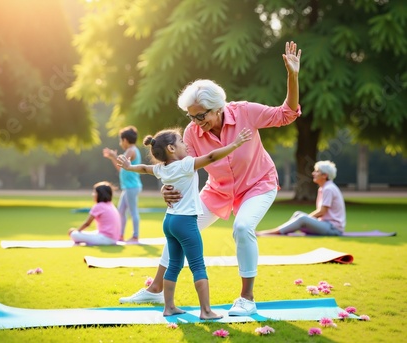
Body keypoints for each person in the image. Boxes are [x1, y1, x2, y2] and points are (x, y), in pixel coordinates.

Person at [119, 41, 302, 317]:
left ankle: (247, 297)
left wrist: (292, 75)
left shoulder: (245, 112)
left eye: (200, 115)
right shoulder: (193, 133)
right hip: (217, 190)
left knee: (242, 228)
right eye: (191, 116)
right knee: (180, 225)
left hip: (258, 184)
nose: (195, 122)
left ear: (217, 108)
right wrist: (167, 189)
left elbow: (286, 114)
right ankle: (156, 289)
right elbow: (179, 168)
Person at [117, 127, 252, 319]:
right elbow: (212, 157)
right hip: (186, 222)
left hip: (169, 221)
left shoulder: (162, 168)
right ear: (171, 148)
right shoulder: (185, 164)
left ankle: (169, 307)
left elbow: (146, 169)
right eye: (181, 141)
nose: (185, 144)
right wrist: (235, 144)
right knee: (198, 266)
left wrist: (129, 167)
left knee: (174, 265)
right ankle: (205, 311)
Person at [257, 161, 346, 236]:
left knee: (302, 218)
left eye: (317, 171)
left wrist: (306, 219)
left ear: (325, 175)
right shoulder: (324, 188)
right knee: (298, 214)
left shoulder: (328, 188)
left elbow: (322, 211)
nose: (313, 173)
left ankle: (274, 232)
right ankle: (284, 230)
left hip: (333, 228)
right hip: (326, 225)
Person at [103, 126, 143, 242]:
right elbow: (121, 169)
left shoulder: (131, 151)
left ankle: (135, 236)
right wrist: (112, 158)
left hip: (132, 187)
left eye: (121, 140)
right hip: (128, 187)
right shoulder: (129, 151)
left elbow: (121, 162)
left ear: (125, 140)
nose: (120, 143)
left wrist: (113, 155)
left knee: (133, 211)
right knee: (120, 211)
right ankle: (120, 235)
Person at [68, 181, 121, 245]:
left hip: (105, 239)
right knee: (91, 233)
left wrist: (77, 231)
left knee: (74, 234)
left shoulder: (98, 206)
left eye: (94, 192)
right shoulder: (110, 205)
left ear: (100, 194)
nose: (92, 194)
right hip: (113, 239)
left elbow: (87, 223)